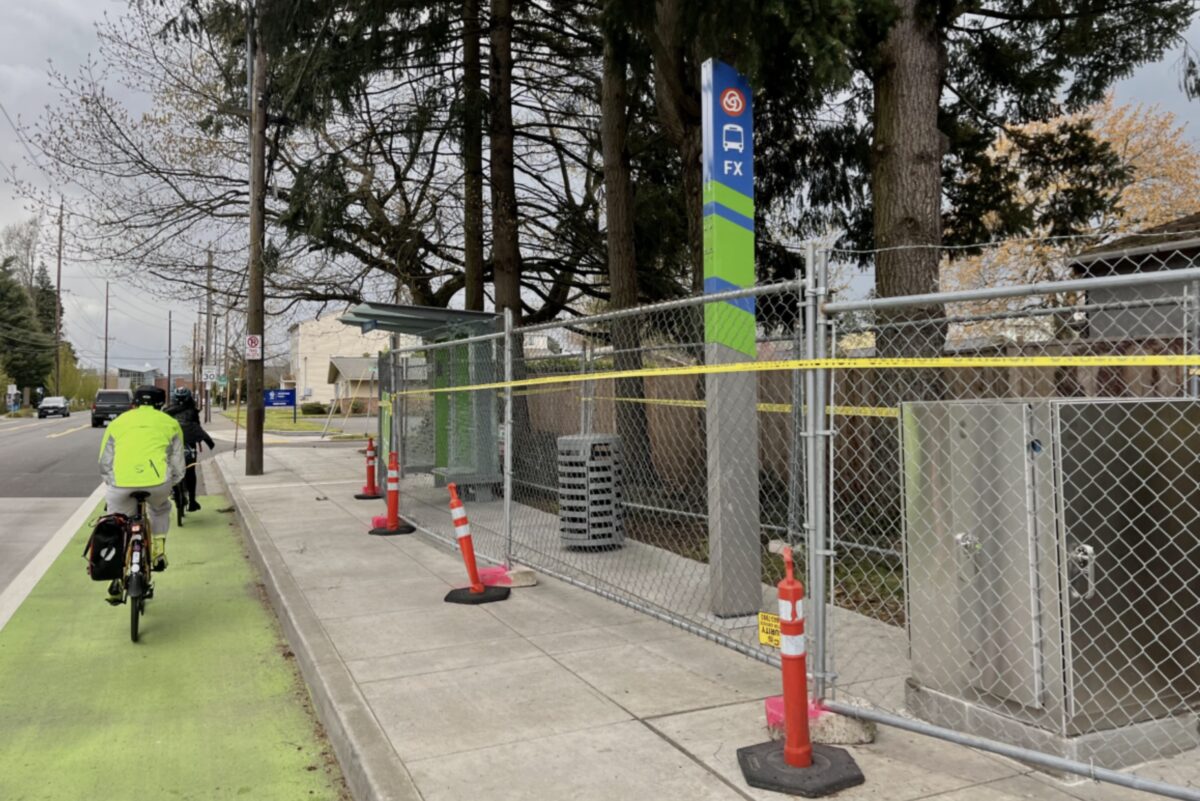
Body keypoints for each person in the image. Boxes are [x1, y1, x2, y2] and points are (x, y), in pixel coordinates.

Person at [98, 385, 185, 578]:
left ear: (134, 403)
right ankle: (158, 549)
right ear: (161, 403)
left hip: (121, 484)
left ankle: (116, 575)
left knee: (118, 523)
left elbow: (105, 461)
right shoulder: (170, 423)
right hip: (158, 483)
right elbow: (177, 461)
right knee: (160, 508)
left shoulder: (118, 422)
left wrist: (111, 481)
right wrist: (174, 482)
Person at [164, 387, 216, 511]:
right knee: (191, 471)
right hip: (189, 443)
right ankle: (192, 500)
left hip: (171, 442)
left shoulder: (167, 411)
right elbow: (197, 427)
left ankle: (173, 490)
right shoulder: (193, 411)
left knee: (170, 467)